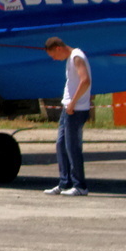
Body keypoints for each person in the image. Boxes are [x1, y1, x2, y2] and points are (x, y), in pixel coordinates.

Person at [44, 36, 91, 196]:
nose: (55, 59)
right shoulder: (71, 59)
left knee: (72, 147)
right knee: (61, 144)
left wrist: (73, 103)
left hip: (76, 109)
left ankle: (80, 185)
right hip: (68, 107)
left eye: (54, 56)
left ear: (58, 48)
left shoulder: (76, 57)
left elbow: (85, 80)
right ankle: (65, 183)